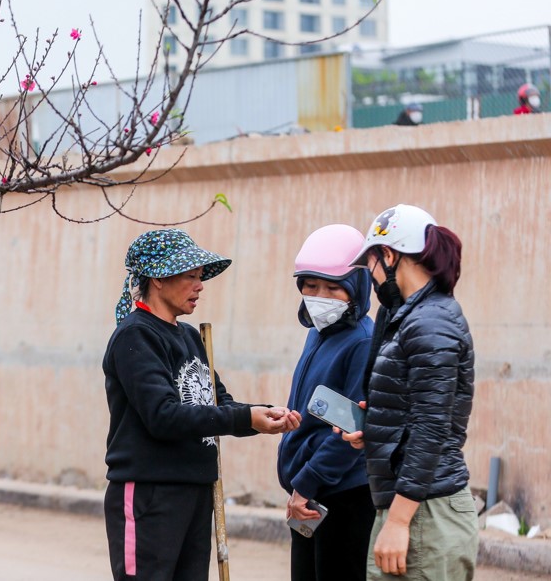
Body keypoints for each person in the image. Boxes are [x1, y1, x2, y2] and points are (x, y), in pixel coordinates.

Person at [104, 228, 301, 581]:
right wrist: (244, 418)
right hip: (151, 492)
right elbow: (162, 416)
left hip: (196, 489)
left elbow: (217, 403)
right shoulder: (136, 336)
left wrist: (260, 416)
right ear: (158, 280)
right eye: (190, 276)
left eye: (200, 277)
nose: (200, 286)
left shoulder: (191, 337)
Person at [342, 204, 476, 580]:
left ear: (388, 254)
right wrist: (375, 431)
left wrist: (399, 522)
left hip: (423, 513)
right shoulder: (409, 317)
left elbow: (432, 428)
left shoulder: (430, 321)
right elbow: (414, 410)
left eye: (368, 264)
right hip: (411, 505)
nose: (368, 277)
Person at [277, 224, 376, 581]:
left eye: (334, 287)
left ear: (357, 288)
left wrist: (307, 482)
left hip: (343, 494)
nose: (319, 295)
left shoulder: (362, 342)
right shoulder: (317, 335)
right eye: (311, 285)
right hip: (312, 492)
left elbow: (351, 427)